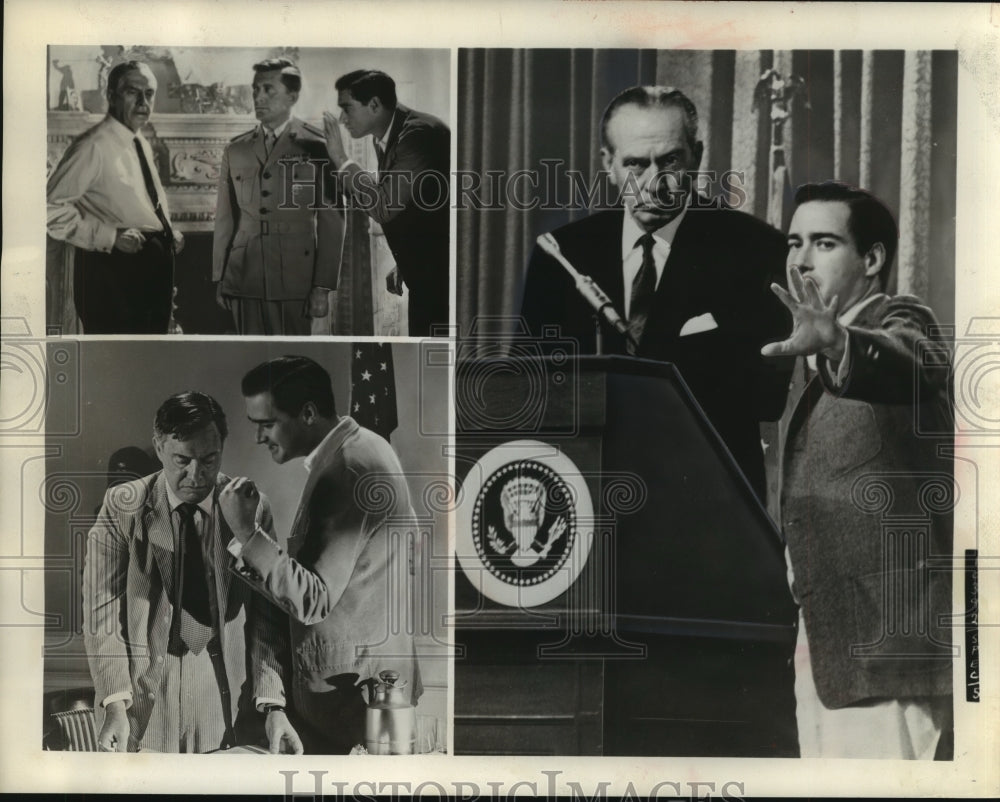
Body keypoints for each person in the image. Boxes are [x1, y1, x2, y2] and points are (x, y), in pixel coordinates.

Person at [520, 85, 793, 501]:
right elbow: (527, 391)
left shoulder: (758, 250)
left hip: (707, 501)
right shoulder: (560, 254)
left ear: (696, 157)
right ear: (608, 163)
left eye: (670, 161)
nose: (654, 184)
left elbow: (767, 399)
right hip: (589, 498)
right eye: (635, 164)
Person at [763, 182, 954, 759]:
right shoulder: (809, 354)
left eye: (824, 243)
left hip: (890, 642)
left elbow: (917, 359)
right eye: (794, 243)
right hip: (829, 641)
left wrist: (841, 340)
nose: (802, 260)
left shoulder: (901, 319)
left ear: (871, 259)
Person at [219, 356, 421, 754]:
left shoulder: (347, 470)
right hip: (362, 694)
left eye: (267, 423)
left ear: (308, 413)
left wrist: (247, 533)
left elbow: (313, 600)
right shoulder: (365, 447)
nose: (258, 437)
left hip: (348, 706)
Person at [82, 391, 302, 753]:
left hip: (223, 695)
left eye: (209, 459)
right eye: (182, 460)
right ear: (159, 446)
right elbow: (101, 611)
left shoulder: (252, 508)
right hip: (141, 697)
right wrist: (115, 704)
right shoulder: (122, 506)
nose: (196, 476)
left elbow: (267, 616)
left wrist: (273, 704)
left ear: (222, 448)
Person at [47, 60, 184, 333]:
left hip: (149, 272)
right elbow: (50, 209)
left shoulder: (139, 142)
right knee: (119, 356)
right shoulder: (92, 147)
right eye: (133, 92)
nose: (143, 102)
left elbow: (141, 201)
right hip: (113, 275)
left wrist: (168, 232)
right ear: (111, 96)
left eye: (149, 93)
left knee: (150, 354)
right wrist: (110, 237)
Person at [213, 58, 344, 336]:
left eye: (268, 89)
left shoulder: (318, 147)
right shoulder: (236, 149)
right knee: (249, 355)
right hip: (244, 278)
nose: (258, 97)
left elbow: (332, 222)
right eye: (255, 89)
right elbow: (225, 219)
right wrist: (220, 277)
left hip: (296, 280)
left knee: (292, 354)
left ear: (292, 97)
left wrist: (322, 287)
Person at [322, 69, 450, 337]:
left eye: (347, 108)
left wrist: (341, 159)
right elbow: (417, 208)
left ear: (374, 104)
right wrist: (407, 261)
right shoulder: (387, 136)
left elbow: (384, 206)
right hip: (426, 272)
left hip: (443, 282)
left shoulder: (418, 135)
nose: (342, 119)